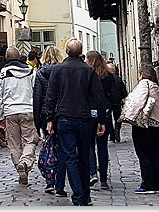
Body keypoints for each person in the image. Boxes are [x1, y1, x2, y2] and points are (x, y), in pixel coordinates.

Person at [46, 39, 106, 206]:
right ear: (81, 52)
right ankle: (84, 195)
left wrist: (49, 119)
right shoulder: (88, 70)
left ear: (66, 51)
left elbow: (51, 96)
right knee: (84, 157)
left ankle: (79, 195)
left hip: (64, 118)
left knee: (70, 157)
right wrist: (101, 120)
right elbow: (98, 97)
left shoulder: (58, 70)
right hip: (84, 118)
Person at [0, 46, 38, 185]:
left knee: (14, 144)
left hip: (10, 112)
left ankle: (20, 166)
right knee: (30, 141)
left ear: (6, 58)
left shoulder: (1, 74)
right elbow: (36, 91)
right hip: (27, 110)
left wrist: (0, 116)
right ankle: (25, 162)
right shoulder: (30, 70)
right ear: (19, 57)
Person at [120, 64, 159, 194]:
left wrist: (129, 117)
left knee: (144, 154)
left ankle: (148, 184)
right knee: (156, 154)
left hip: (145, 124)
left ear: (141, 74)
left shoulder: (144, 84)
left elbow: (138, 101)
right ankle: (157, 185)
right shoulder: (156, 87)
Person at [33, 45, 67, 196]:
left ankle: (50, 180)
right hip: (61, 113)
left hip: (45, 114)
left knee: (49, 146)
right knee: (61, 147)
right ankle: (59, 178)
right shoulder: (63, 71)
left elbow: (37, 97)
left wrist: (37, 119)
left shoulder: (40, 73)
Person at [85, 51, 115, 190]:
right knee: (102, 146)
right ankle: (103, 179)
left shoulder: (86, 75)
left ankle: (92, 173)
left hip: (90, 113)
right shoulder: (108, 76)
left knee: (90, 144)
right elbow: (114, 96)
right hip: (105, 113)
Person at [106, 63, 127, 142]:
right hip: (117, 101)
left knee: (108, 118)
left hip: (108, 101)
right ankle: (117, 129)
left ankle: (111, 134)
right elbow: (124, 92)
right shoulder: (118, 79)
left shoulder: (106, 79)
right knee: (117, 118)